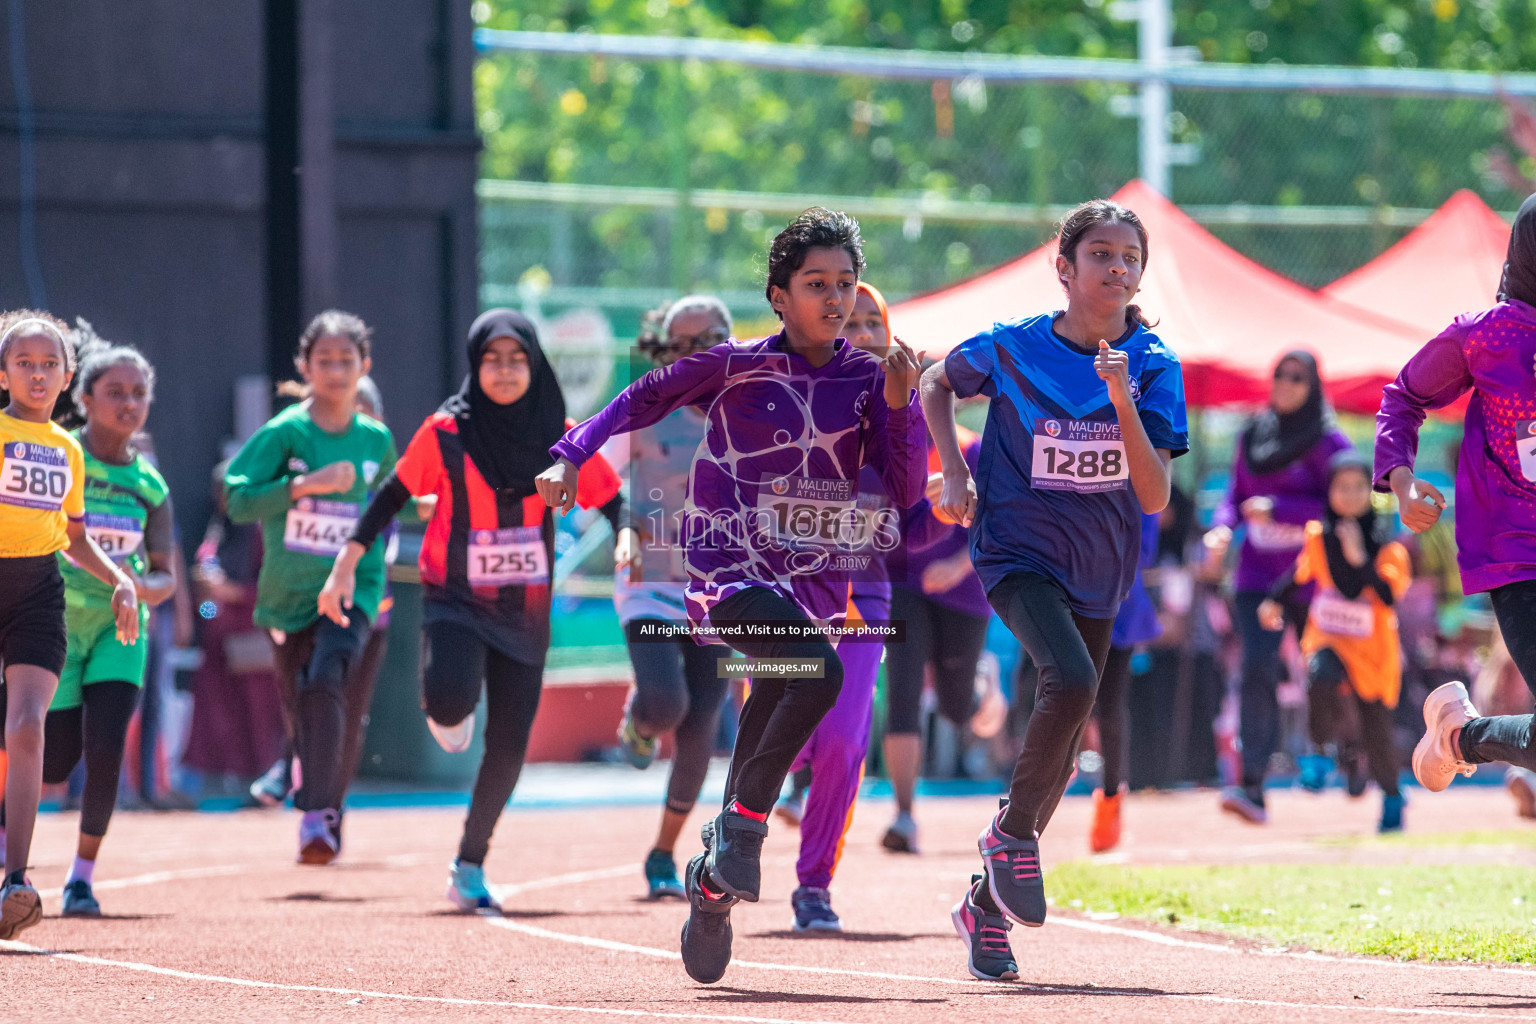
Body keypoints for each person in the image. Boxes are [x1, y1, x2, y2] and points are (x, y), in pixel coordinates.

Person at [537, 208, 925, 983]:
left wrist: (901, 402)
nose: (836, 298)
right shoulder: (736, 364)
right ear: (779, 296)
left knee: (785, 692)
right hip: (725, 573)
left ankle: (712, 881)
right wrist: (570, 455)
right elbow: (641, 397)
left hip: (813, 582)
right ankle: (743, 825)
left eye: (846, 284)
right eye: (817, 284)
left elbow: (907, 488)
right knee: (818, 669)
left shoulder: (864, 379)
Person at [924, 200, 1187, 982]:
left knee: (1066, 755)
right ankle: (1009, 838)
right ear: (1064, 268)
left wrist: (1120, 402)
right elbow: (938, 381)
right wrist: (955, 465)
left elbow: (1153, 496)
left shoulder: (1153, 364)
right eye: (1100, 253)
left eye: (1130, 257)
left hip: (1101, 570)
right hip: (1014, 550)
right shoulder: (1011, 348)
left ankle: (984, 906)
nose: (1117, 267)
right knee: (1068, 679)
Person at [320, 309, 623, 913]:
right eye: (493, 359)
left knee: (509, 744)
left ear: (535, 366)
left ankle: (470, 864)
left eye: (517, 360)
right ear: (474, 364)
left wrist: (628, 539)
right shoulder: (444, 434)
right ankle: (445, 706)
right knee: (451, 697)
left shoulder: (563, 438)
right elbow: (392, 496)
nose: (505, 371)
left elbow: (615, 500)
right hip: (454, 597)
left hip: (527, 612)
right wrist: (345, 562)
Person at [1377, 193, 1536, 800]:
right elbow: (1404, 395)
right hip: (1516, 554)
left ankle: (1459, 736)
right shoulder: (1486, 337)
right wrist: (1399, 477)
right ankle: (1461, 739)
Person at [224, 311, 398, 865]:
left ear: (364, 365)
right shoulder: (286, 433)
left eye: (347, 359)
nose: (336, 369)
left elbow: (393, 504)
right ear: (305, 366)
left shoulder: (376, 439)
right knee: (304, 705)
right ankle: (314, 801)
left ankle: (319, 816)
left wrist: (441, 506)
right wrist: (305, 486)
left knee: (330, 679)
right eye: (324, 360)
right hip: (289, 597)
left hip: (355, 590)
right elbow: (236, 498)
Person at [777, 280, 919, 932]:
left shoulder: (901, 406)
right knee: (784, 724)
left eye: (873, 325)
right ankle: (777, 778)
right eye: (849, 323)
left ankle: (814, 886)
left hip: (865, 593)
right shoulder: (784, 393)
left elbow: (913, 490)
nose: (862, 334)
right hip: (785, 592)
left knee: (842, 739)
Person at [0, 311, 139, 940]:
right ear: (4, 373)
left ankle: (17, 880)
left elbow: (74, 538)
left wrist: (122, 581)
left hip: (37, 594)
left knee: (27, 726)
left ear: (67, 375)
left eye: (48, 363)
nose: (36, 373)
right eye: (24, 363)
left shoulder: (70, 450)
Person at [246, 376, 422, 817]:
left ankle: (327, 812)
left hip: (366, 611)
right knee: (305, 694)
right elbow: (241, 495)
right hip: (300, 602)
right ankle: (292, 766)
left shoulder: (380, 467)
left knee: (344, 706)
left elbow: (413, 505)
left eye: (357, 412)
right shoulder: (303, 458)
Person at [44, 343, 177, 916]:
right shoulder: (63, 458)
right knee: (52, 759)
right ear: (86, 398)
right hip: (55, 622)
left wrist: (138, 588)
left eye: (138, 393)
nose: (128, 403)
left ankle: (81, 878)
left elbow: (168, 575)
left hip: (123, 631)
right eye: (115, 392)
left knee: (106, 749)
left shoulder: (152, 486)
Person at [612, 297, 734, 901]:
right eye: (685, 344)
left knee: (702, 726)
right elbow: (602, 476)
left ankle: (663, 851)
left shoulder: (758, 410)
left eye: (713, 338)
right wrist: (628, 530)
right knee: (666, 702)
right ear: (665, 350)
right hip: (653, 588)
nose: (701, 352)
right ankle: (640, 719)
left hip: (720, 593)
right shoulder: (644, 411)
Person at [1204, 351, 1351, 825]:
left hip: (1312, 581)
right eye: (1280, 376)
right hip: (1257, 579)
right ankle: (1252, 785)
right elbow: (1235, 495)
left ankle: (1342, 754)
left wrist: (1282, 510)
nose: (1285, 385)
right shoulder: (1253, 435)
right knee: (1257, 667)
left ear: (1313, 386)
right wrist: (1223, 528)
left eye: (1297, 377)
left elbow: (1345, 509)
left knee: (1326, 672)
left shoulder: (1329, 443)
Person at [1257, 452, 1409, 832]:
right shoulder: (1318, 535)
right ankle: (1321, 755)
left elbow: (1389, 596)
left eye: (1360, 486)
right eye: (1343, 487)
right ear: (1330, 491)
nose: (1352, 494)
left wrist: (1359, 557)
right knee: (1319, 674)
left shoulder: (1387, 541)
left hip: (1372, 646)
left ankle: (1392, 798)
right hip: (1330, 636)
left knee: (1375, 726)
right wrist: (1274, 598)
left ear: (1371, 493)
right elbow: (1300, 573)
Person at [1088, 511, 1162, 853]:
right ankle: (1052, 777)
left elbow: (1142, 553)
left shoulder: (1140, 490)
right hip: (1067, 605)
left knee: (1109, 709)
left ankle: (1111, 798)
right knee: (1063, 694)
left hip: (1119, 609)